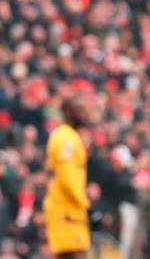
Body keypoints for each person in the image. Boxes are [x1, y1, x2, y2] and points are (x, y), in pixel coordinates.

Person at [43, 97, 91, 259]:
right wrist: (85, 202)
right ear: (69, 113)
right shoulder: (67, 139)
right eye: (80, 110)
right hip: (66, 209)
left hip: (68, 209)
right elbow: (67, 177)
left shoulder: (67, 136)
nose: (85, 115)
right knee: (75, 255)